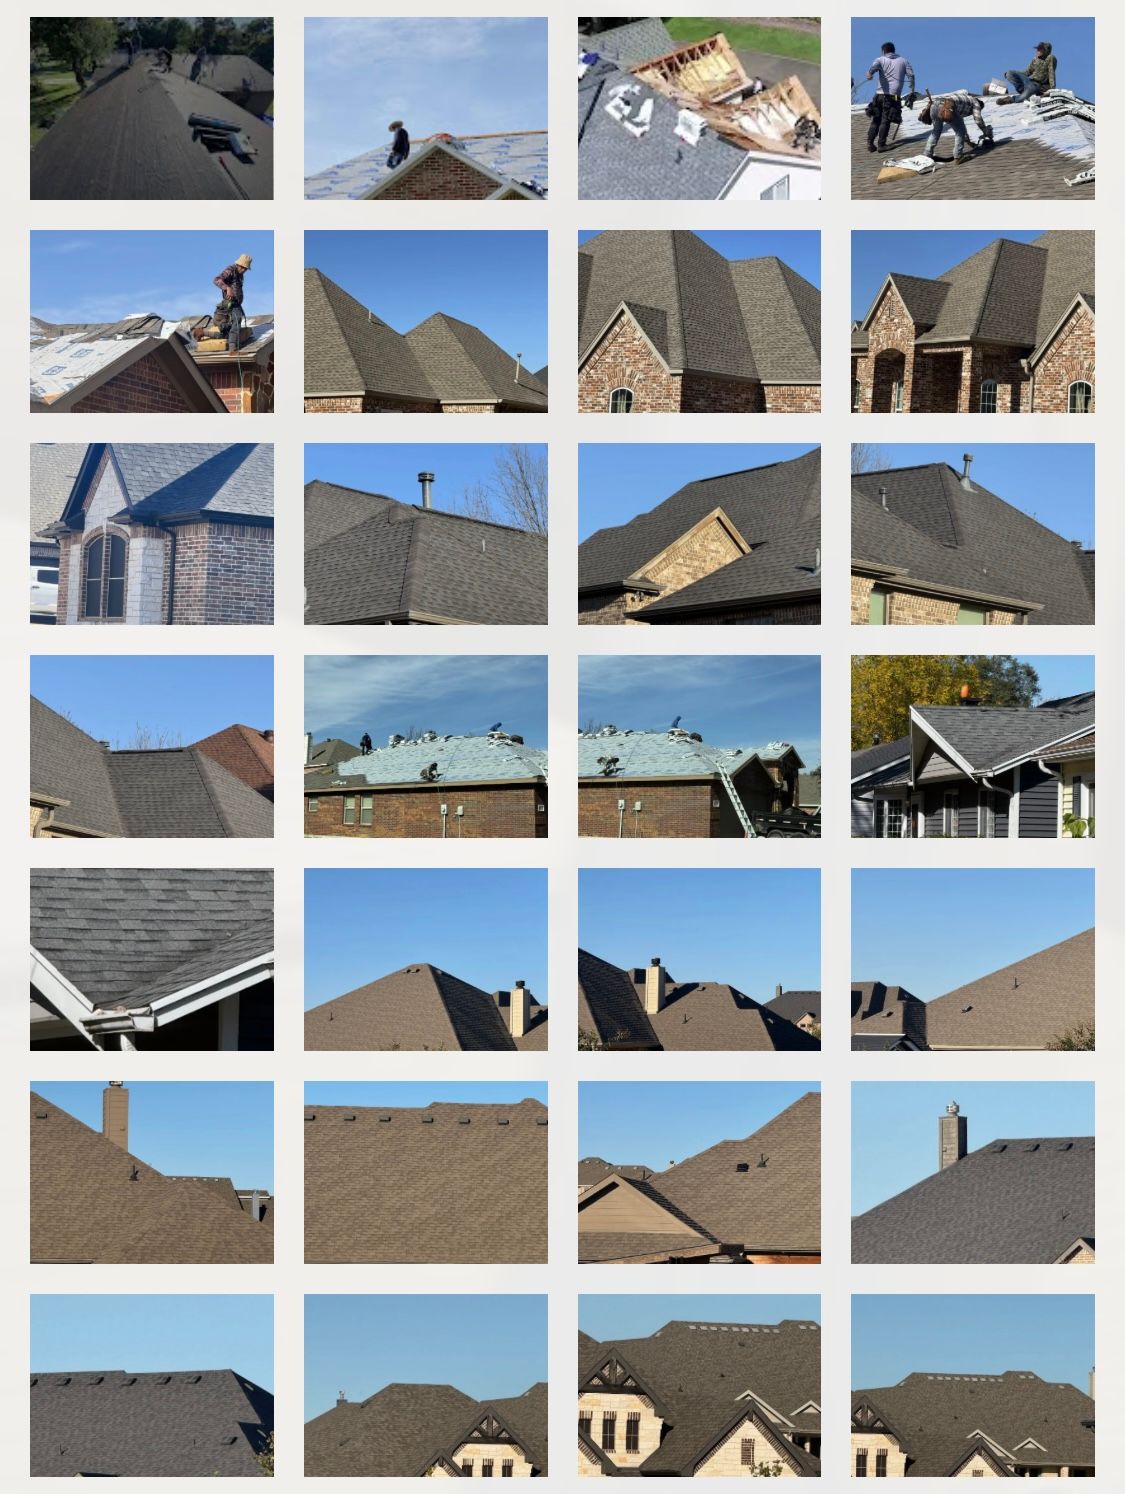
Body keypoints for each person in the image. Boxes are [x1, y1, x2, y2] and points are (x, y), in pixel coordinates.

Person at [918, 92, 992, 162]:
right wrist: (985, 131)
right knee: (959, 132)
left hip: (934, 105)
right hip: (946, 106)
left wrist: (970, 143)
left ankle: (927, 154)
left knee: (936, 132)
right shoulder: (976, 103)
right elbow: (978, 120)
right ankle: (958, 156)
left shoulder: (965, 103)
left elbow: (961, 127)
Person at [213, 253, 252, 352]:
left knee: (228, 328)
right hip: (230, 302)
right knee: (236, 320)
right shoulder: (230, 270)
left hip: (236, 303)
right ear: (239, 265)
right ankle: (232, 349)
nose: (244, 270)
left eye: (246, 269)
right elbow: (216, 280)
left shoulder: (240, 275)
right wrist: (227, 288)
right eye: (243, 267)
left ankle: (202, 332)